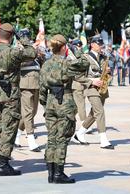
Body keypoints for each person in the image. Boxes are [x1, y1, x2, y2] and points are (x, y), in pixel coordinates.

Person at [0, 23, 36, 176]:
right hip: (10, 95)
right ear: (12, 36)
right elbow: (31, 53)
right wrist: (23, 39)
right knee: (9, 128)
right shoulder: (13, 52)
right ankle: (3, 163)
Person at [39, 34, 90, 184]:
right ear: (63, 47)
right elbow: (85, 63)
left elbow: (42, 87)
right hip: (65, 102)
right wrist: (77, 50)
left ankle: (50, 172)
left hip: (50, 101)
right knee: (62, 139)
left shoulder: (46, 64)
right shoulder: (67, 63)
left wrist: (44, 103)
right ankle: (58, 174)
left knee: (51, 138)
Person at [74, 35, 114, 149]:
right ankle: (103, 139)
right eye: (99, 44)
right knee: (100, 111)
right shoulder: (85, 58)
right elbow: (78, 76)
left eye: (101, 44)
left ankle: (80, 133)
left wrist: (108, 72)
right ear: (92, 44)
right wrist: (92, 80)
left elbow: (108, 73)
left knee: (93, 113)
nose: (101, 46)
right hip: (91, 87)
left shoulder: (103, 58)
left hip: (102, 88)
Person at [16, 29, 43, 152]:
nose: (27, 39)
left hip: (36, 83)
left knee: (32, 112)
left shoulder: (33, 48)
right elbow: (18, 64)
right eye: (25, 37)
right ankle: (31, 139)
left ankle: (16, 135)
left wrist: (40, 54)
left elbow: (43, 60)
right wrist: (32, 53)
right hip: (25, 83)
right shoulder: (18, 49)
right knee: (27, 112)